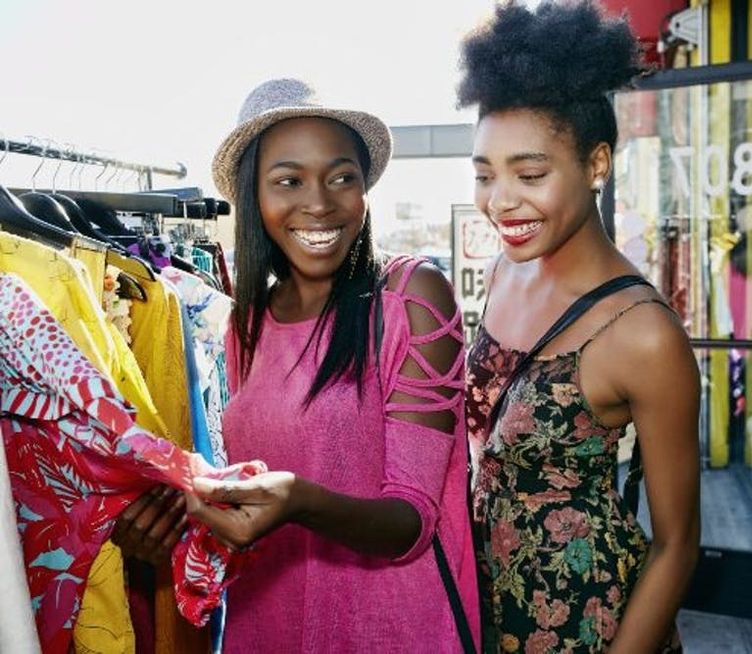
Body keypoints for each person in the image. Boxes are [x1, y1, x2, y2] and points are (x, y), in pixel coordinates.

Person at [122, 78, 480, 653]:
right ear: (254, 197)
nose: (319, 202)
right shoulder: (248, 324)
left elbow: (412, 524)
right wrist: (177, 523)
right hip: (268, 628)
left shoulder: (412, 297)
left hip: (386, 632)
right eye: (289, 180)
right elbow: (253, 499)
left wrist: (298, 500)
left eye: (342, 177)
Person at [459, 3, 701, 652]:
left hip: (588, 620)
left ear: (597, 164)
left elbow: (679, 545)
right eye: (485, 174)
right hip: (486, 604)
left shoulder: (643, 333)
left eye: (529, 174)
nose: (501, 200)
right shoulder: (508, 273)